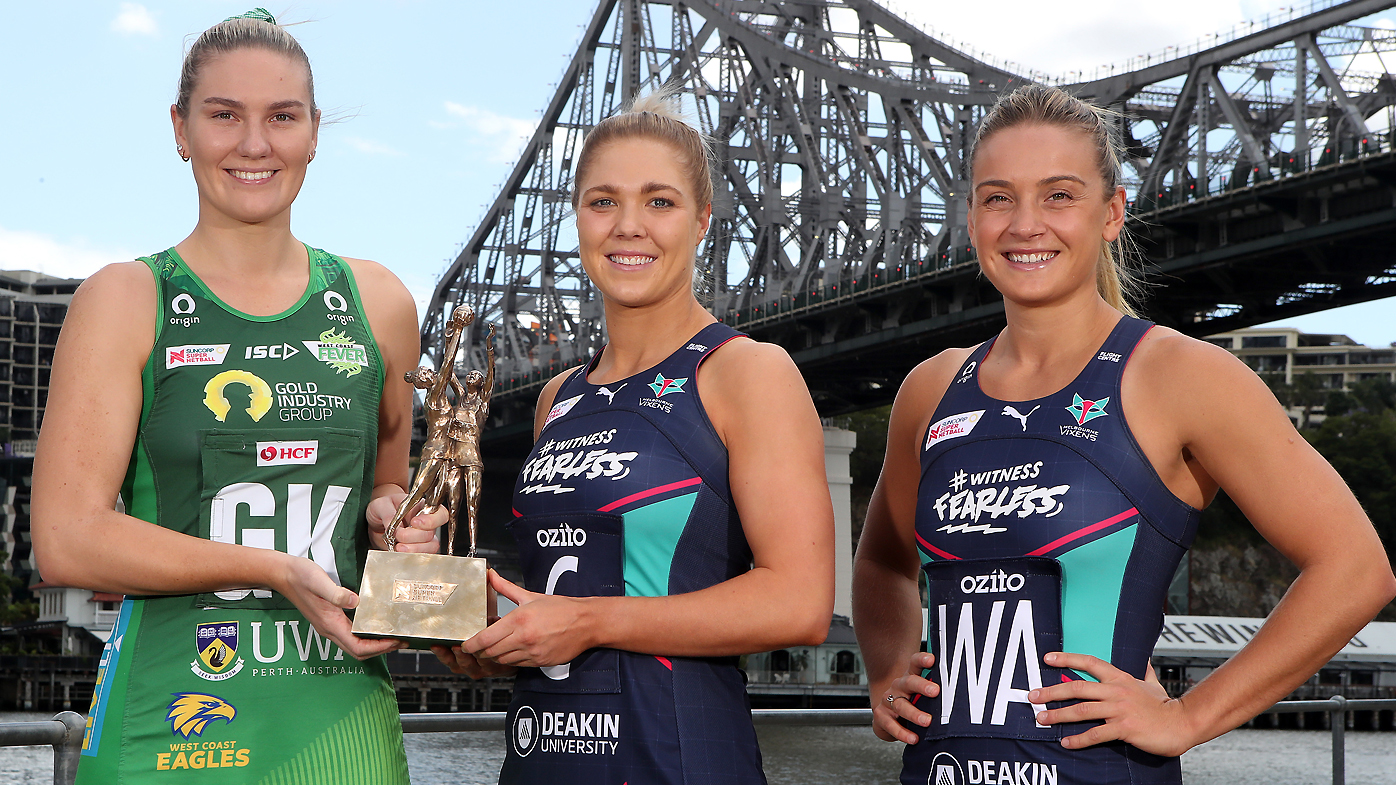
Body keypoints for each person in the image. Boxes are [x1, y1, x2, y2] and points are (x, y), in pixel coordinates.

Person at [852, 83, 1396, 785]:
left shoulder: (1178, 374)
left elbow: (1356, 568)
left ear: (1112, 213)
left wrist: (1187, 717)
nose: (1025, 224)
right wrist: (889, 673)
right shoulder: (932, 388)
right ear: (972, 215)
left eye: (1058, 195)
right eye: (998, 197)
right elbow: (880, 564)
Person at [31, 10, 440, 784]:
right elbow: (65, 536)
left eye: (282, 117)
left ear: (314, 132)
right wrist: (274, 567)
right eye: (224, 115)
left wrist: (397, 521)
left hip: (340, 735)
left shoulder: (379, 301)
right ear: (180, 129)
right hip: (170, 730)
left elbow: (387, 487)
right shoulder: (126, 298)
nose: (255, 144)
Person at [432, 89, 836, 784]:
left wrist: (590, 622)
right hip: (540, 761)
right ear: (578, 218)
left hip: (678, 760)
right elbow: (563, 593)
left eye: (659, 201)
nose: (628, 226)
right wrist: (488, 634)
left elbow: (799, 603)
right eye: (602, 201)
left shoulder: (745, 372)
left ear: (703, 218)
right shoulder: (559, 397)